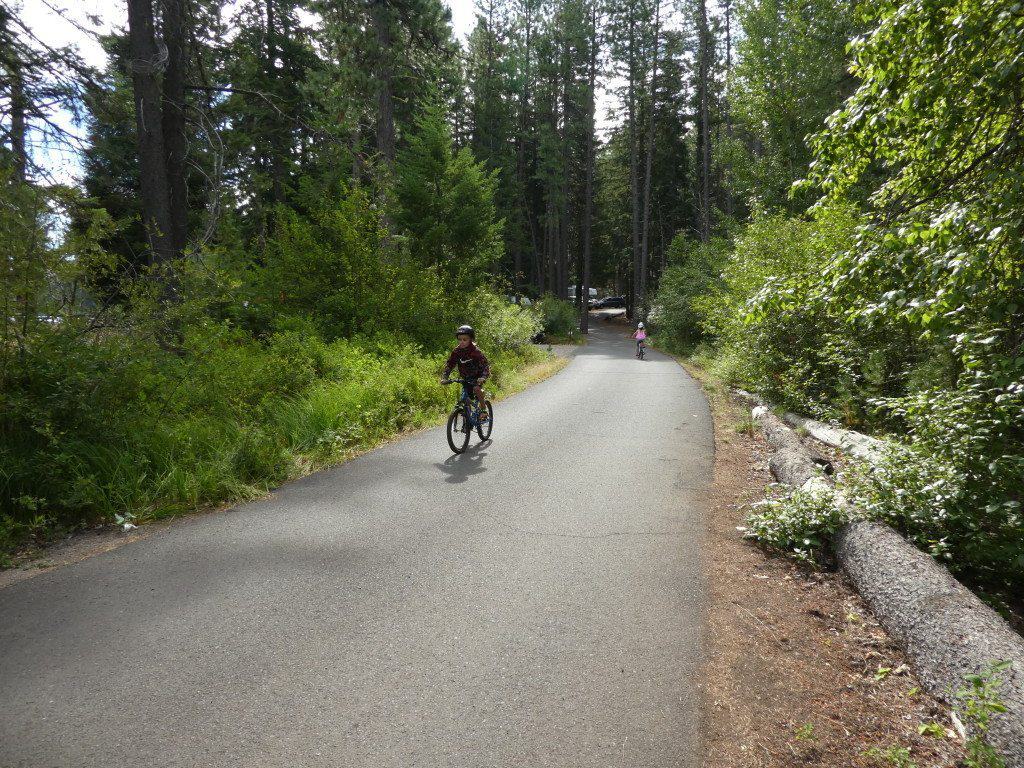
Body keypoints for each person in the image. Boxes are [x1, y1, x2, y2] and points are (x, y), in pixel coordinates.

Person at [441, 325, 491, 422]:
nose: (462, 342)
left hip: (478, 376)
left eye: (465, 339)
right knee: (465, 396)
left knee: (476, 389)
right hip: (465, 377)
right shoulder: (456, 351)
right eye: (460, 339)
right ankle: (467, 417)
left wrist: (483, 377)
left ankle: (484, 410)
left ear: (471, 339)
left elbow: (486, 366)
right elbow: (450, 365)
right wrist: (445, 377)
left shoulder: (476, 352)